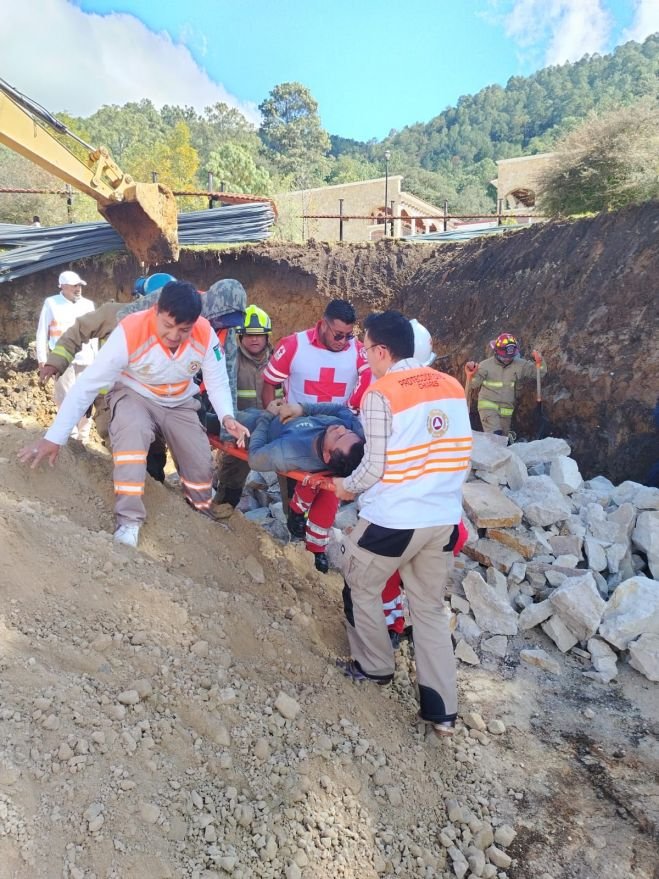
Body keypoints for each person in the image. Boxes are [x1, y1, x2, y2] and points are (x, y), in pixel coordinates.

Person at [19, 282, 249, 548]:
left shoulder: (206, 332)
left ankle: (201, 508)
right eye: (168, 325)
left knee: (199, 462)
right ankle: (129, 521)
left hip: (179, 400)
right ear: (156, 311)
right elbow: (88, 384)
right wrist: (54, 437)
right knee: (131, 439)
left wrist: (227, 417)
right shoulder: (129, 330)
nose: (174, 335)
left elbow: (218, 378)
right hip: (134, 393)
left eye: (183, 329)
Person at [333, 310, 472, 738]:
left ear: (382, 350)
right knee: (429, 610)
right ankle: (442, 712)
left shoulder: (381, 392)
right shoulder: (450, 385)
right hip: (443, 518)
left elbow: (373, 468)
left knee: (360, 584)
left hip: (394, 520)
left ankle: (374, 667)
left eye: (367, 348)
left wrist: (346, 488)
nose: (365, 356)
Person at [39, 273, 177, 480]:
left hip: (151, 400)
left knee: (155, 455)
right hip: (111, 400)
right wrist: (54, 362)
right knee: (124, 449)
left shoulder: (176, 326)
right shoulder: (114, 314)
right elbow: (76, 333)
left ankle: (155, 496)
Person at [262, 298, 369, 515]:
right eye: (338, 335)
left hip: (337, 436)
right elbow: (269, 384)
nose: (343, 341)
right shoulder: (293, 345)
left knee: (328, 497)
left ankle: (315, 544)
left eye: (348, 335)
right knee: (294, 494)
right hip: (299, 434)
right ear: (323, 324)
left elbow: (371, 379)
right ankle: (293, 533)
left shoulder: (357, 351)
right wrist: (274, 419)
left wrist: (353, 408)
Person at [246, 400, 365, 573]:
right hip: (279, 425)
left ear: (326, 456)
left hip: (300, 447)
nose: (339, 428)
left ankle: (315, 548)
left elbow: (256, 458)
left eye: (340, 436)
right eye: (344, 432)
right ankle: (296, 515)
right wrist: (302, 409)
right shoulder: (353, 435)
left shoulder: (291, 452)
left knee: (326, 501)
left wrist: (267, 416)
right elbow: (342, 411)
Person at [213, 305, 277, 509]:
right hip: (242, 430)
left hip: (274, 428)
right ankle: (225, 508)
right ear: (240, 337)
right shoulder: (231, 360)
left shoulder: (278, 360)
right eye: (248, 335)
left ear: (267, 336)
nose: (254, 339)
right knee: (232, 472)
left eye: (259, 335)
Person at [36, 270, 97, 443]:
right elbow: (42, 332)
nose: (78, 289)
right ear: (62, 286)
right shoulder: (52, 303)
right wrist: (42, 358)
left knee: (87, 398)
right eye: (73, 286)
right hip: (62, 361)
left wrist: (98, 358)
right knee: (65, 398)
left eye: (79, 285)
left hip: (87, 359)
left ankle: (83, 438)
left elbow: (95, 335)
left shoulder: (87, 305)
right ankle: (70, 436)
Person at [465, 333, 546, 437]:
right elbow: (473, 384)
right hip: (488, 408)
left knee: (502, 439)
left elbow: (539, 372)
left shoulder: (519, 365)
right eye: (504, 356)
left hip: (506, 410)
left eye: (510, 356)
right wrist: (472, 373)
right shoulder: (485, 365)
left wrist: (540, 361)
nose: (507, 359)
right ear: (497, 352)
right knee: (495, 435)